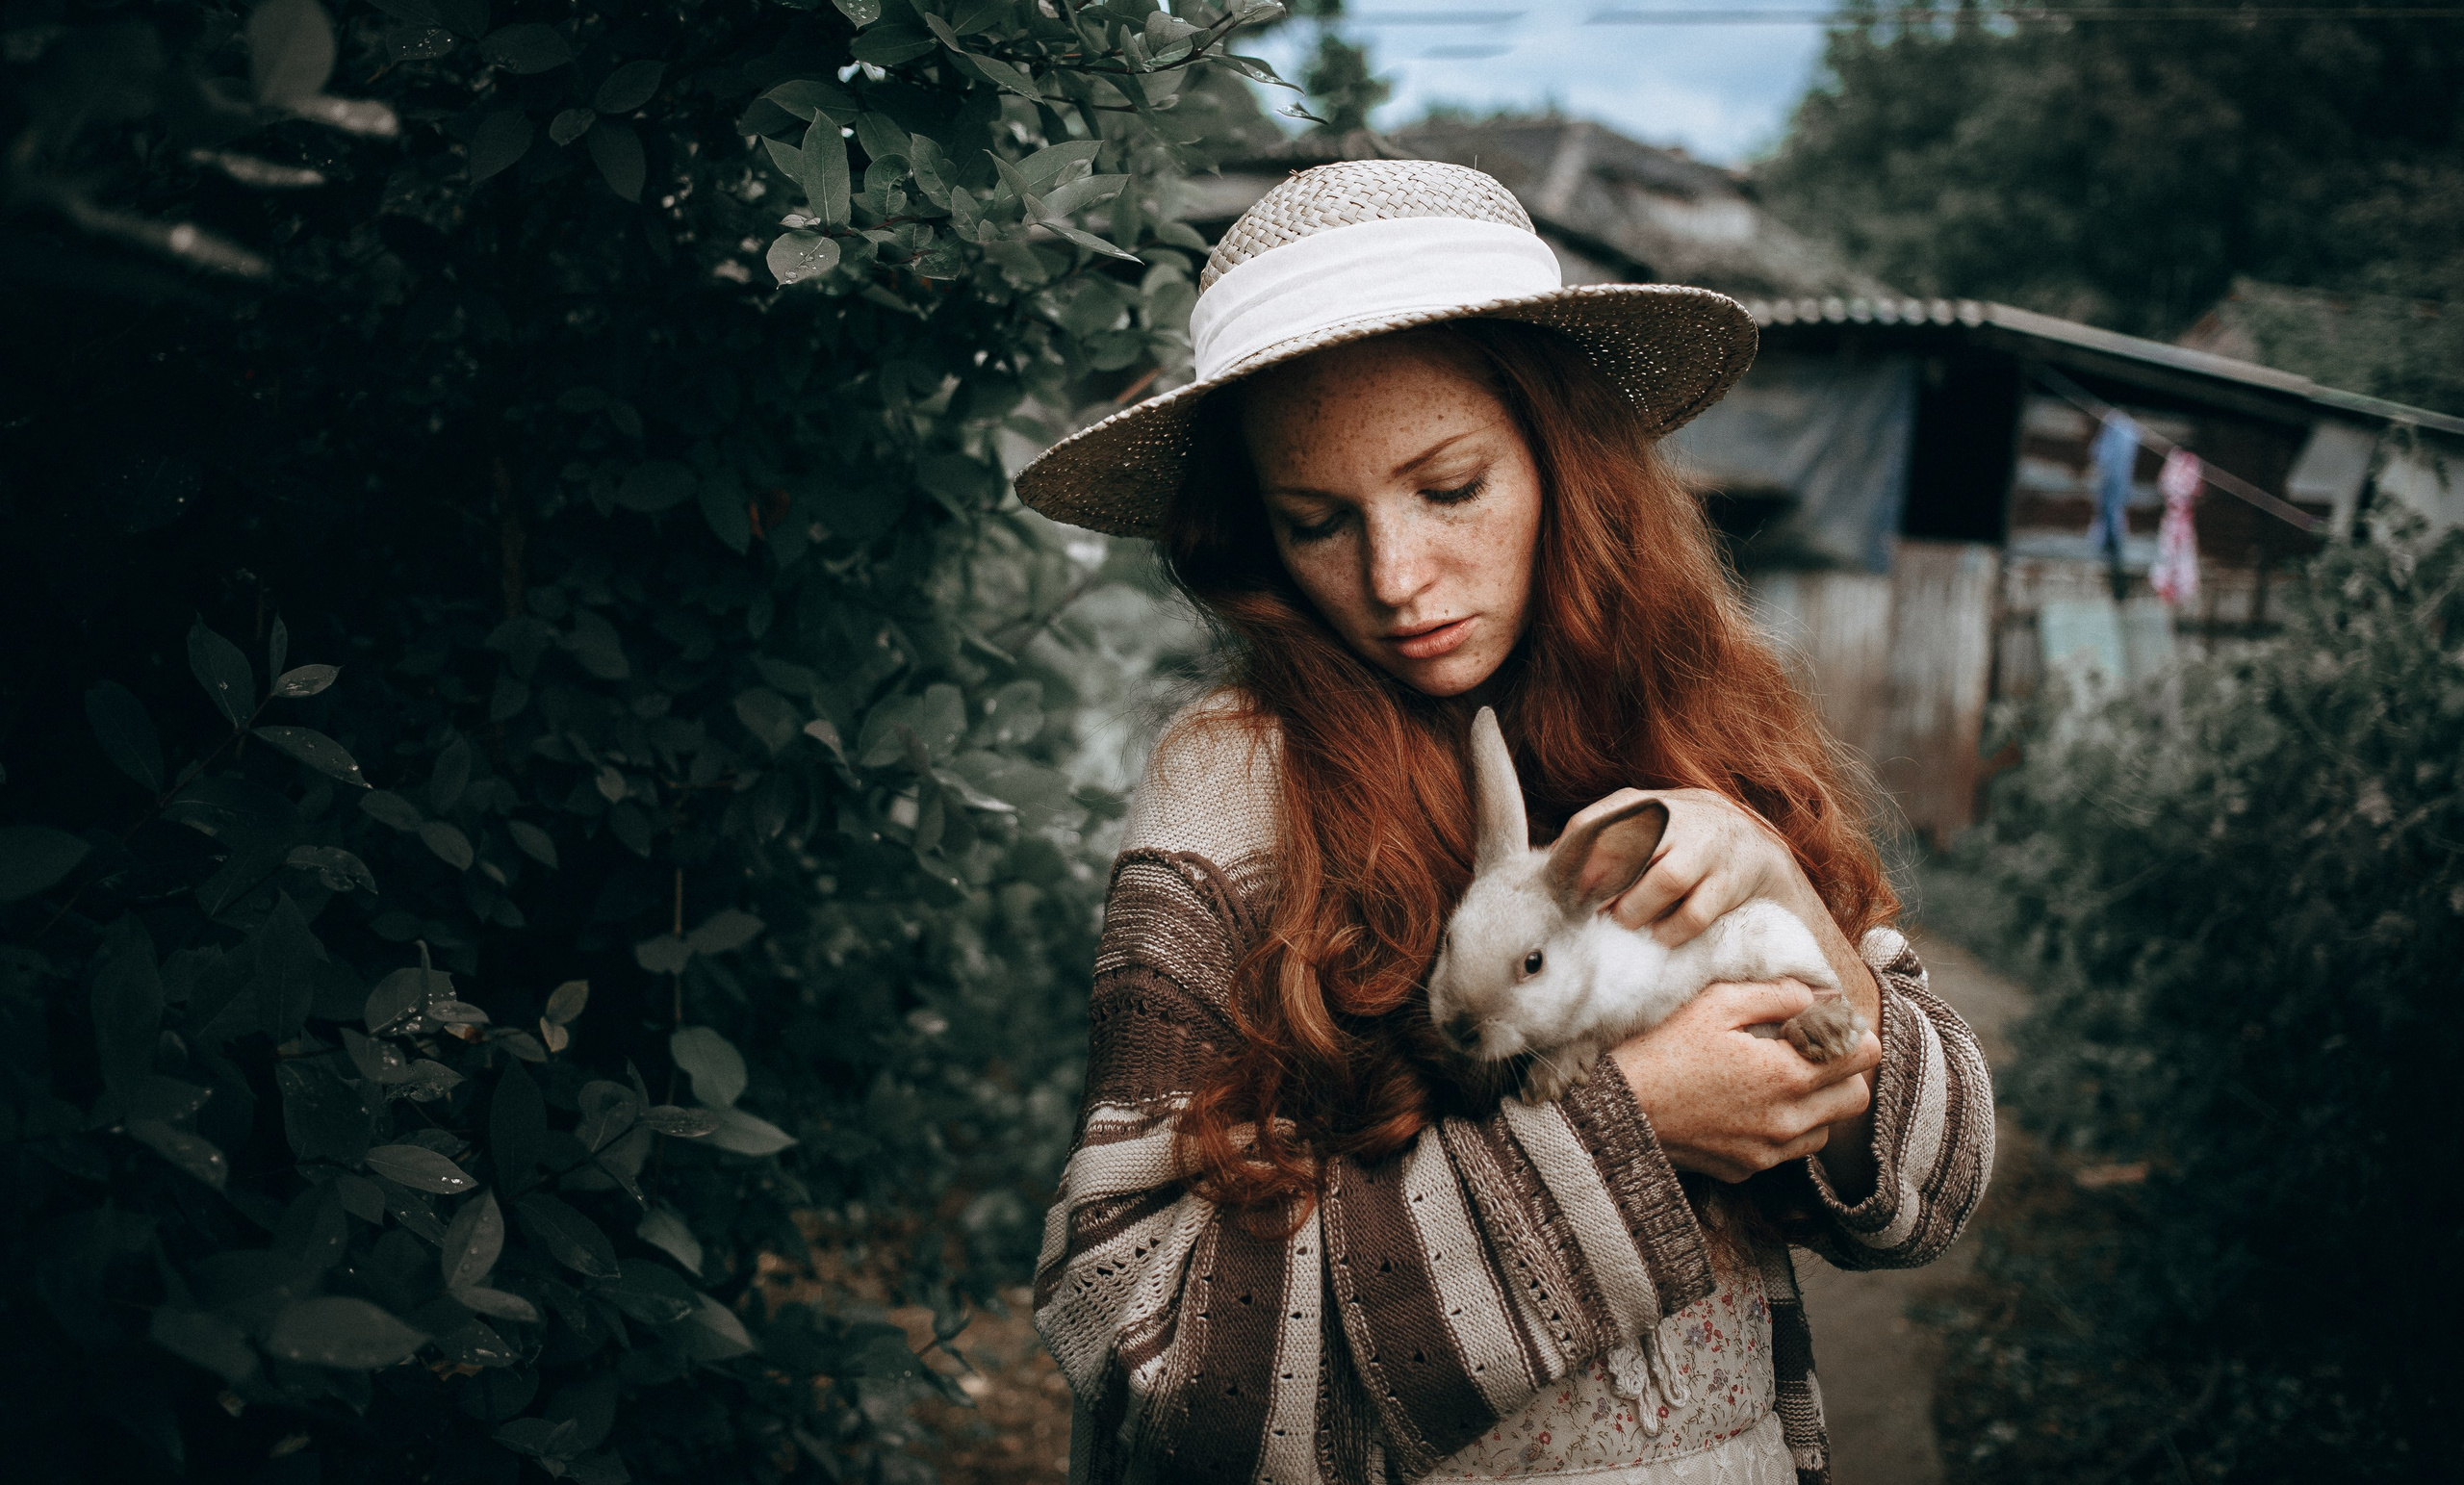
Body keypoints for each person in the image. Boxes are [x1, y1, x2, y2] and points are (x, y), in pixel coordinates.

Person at [1014, 161, 1993, 1485]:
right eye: (1317, 523)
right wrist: (1628, 1130)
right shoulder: (1240, 782)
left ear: (1563, 459)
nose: (1395, 579)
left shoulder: (1698, 722)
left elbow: (1929, 1194)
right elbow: (1149, 1353)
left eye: (1451, 488)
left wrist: (1785, 891)